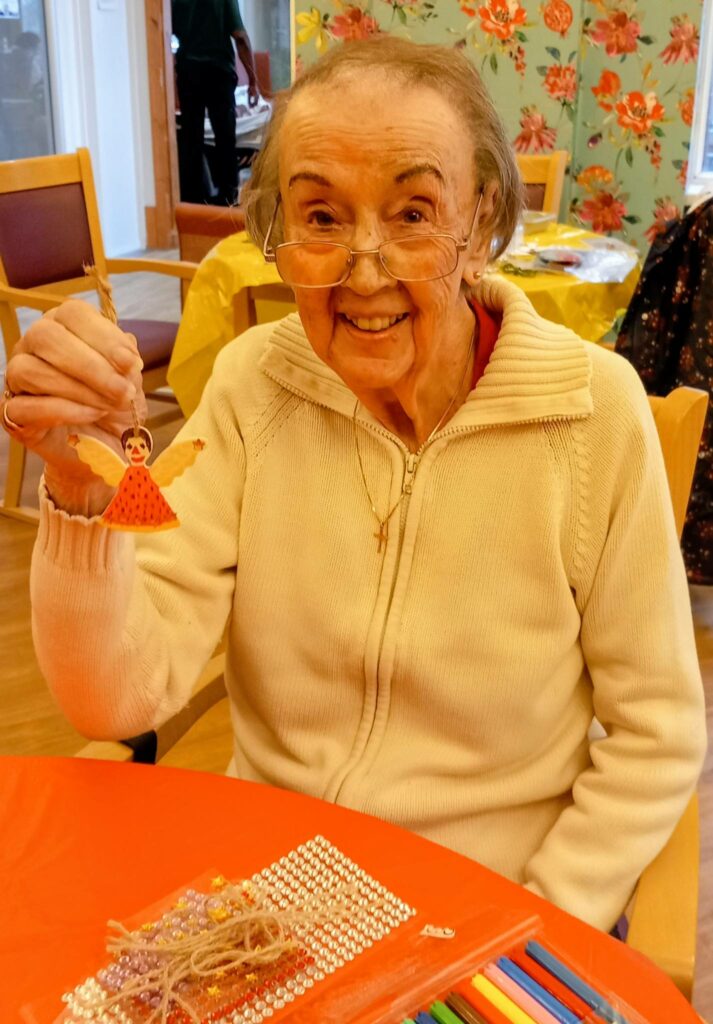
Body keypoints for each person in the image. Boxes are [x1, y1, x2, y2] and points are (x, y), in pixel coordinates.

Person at [2, 37, 706, 934]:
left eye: (413, 212)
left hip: (487, 906)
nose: (363, 269)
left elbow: (657, 734)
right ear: (278, 237)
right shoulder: (254, 384)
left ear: (481, 219)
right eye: (323, 219)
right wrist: (85, 495)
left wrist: (537, 919)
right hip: (266, 901)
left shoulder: (592, 414)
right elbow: (116, 698)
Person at [172, 0, 258, 205]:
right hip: (219, 72)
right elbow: (240, 37)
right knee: (225, 136)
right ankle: (227, 197)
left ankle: (192, 200)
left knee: (191, 138)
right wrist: (253, 81)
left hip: (189, 71)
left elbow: (170, 29)